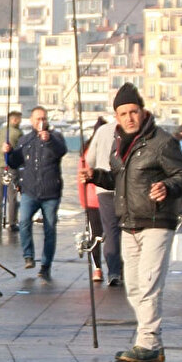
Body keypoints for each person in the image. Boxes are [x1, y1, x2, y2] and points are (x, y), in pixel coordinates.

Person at [81, 83, 182, 362]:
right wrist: (95, 176)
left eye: (133, 112)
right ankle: (153, 343)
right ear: (116, 117)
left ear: (143, 112)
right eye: (123, 113)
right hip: (129, 223)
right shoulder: (119, 144)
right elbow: (119, 180)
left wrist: (167, 187)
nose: (129, 118)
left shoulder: (162, 142)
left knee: (148, 283)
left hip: (157, 221)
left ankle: (148, 342)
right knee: (132, 286)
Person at [5, 106, 68, 279]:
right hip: (30, 191)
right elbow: (14, 162)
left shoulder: (55, 137)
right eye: (38, 119)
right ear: (32, 121)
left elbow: (61, 151)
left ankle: (46, 265)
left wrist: (48, 140)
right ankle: (28, 255)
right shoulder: (25, 140)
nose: (41, 122)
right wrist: (9, 153)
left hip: (51, 192)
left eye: (43, 118)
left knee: (49, 228)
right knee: (24, 221)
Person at [88, 112, 124, 287]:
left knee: (111, 230)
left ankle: (114, 272)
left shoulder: (102, 131)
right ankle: (125, 269)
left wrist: (96, 170)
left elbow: (90, 159)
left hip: (103, 187)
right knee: (127, 228)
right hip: (125, 187)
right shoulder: (135, 131)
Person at [77, 119, 106, 282]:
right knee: (107, 235)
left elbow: (79, 179)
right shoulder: (91, 152)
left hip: (92, 200)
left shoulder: (86, 151)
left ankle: (98, 269)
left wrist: (83, 201)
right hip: (98, 199)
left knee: (95, 235)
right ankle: (108, 268)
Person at [0, 111, 23, 232]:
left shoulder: (1, 131)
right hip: (10, 167)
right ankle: (12, 223)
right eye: (19, 119)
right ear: (15, 120)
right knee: (12, 196)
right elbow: (21, 151)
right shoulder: (18, 133)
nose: (20, 122)